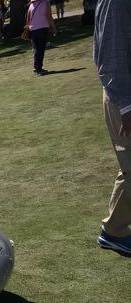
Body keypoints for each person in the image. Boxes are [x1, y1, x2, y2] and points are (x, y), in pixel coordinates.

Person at [94, 0, 131, 255]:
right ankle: (113, 232)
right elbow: (110, 59)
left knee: (129, 165)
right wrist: (127, 108)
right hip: (124, 97)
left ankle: (114, 229)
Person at [26, 0, 56, 75]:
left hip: (33, 30)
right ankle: (38, 68)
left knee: (37, 49)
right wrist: (53, 27)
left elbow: (28, 19)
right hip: (42, 28)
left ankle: (36, 67)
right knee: (40, 49)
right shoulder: (45, 2)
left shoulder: (31, 5)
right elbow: (49, 16)